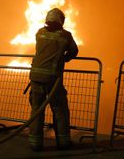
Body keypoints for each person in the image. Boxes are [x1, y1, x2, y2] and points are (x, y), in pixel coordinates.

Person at [28, 8, 78, 151]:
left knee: (37, 110)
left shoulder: (40, 33)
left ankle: (35, 144)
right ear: (61, 20)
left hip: (36, 77)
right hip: (52, 79)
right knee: (60, 109)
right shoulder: (65, 35)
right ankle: (63, 143)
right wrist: (64, 58)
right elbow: (74, 51)